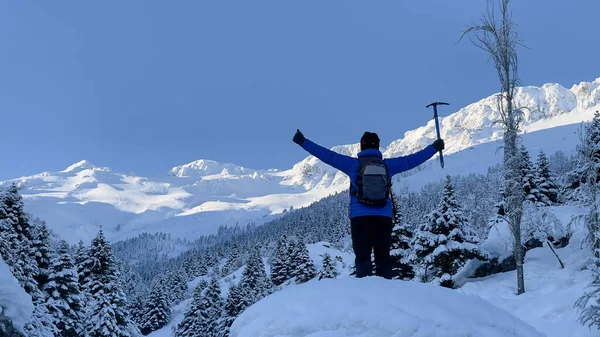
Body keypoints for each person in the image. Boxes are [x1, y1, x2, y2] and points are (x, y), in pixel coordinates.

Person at [292, 129, 444, 279]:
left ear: (361, 147)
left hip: (360, 217)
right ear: (378, 147)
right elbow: (412, 160)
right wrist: (434, 148)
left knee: (363, 258)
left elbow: (327, 155)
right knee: (383, 257)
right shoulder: (388, 165)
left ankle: (365, 293)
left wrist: (303, 141)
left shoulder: (352, 164)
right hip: (383, 217)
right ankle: (385, 291)